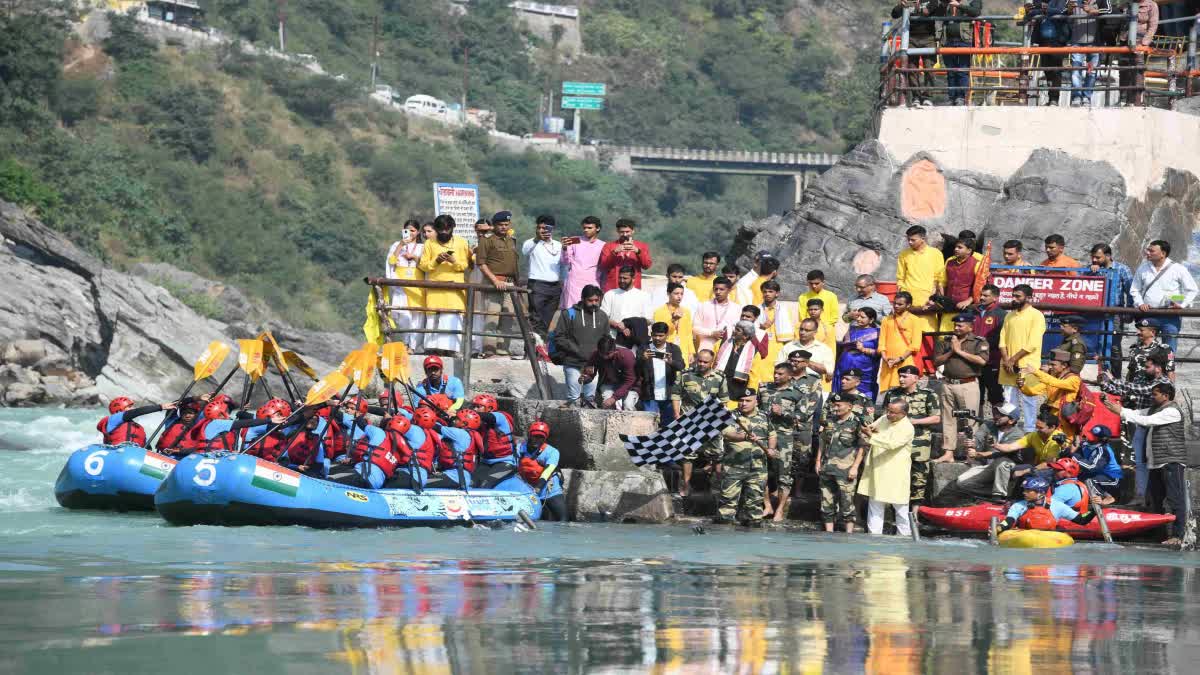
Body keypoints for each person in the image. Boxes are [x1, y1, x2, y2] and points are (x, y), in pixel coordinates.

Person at [1103, 382, 1190, 545]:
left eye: (1155, 394)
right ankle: (1159, 534)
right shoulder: (1153, 408)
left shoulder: (1172, 411)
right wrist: (1113, 407)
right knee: (1155, 500)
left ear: (1166, 396)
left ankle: (1178, 536)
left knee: (1175, 499)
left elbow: (1146, 421)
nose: (1152, 397)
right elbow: (1135, 413)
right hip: (1156, 463)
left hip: (1171, 461)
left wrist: (1121, 412)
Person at [1100, 351, 1173, 503]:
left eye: (1147, 366)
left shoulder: (1163, 382)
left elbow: (1140, 390)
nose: (1144, 369)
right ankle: (1140, 496)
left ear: (1158, 367)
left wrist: (1114, 379)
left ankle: (1155, 498)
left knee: (1152, 464)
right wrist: (1105, 384)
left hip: (1155, 427)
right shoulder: (1147, 379)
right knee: (1140, 463)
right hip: (1141, 424)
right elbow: (1128, 391)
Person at [758, 362, 817, 522]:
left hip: (784, 439)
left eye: (780, 374)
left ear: (790, 376)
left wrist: (784, 412)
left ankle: (779, 510)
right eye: (775, 373)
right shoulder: (764, 388)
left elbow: (803, 417)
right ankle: (767, 505)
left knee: (784, 476)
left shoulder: (797, 393)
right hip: (763, 437)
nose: (776, 376)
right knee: (759, 472)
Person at [671, 349, 729, 497]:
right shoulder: (685, 375)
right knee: (687, 455)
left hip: (711, 421)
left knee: (717, 455)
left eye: (705, 362)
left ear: (712, 362)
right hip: (690, 421)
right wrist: (677, 414)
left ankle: (717, 486)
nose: (702, 364)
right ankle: (686, 485)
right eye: (700, 361)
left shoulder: (720, 377)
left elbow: (724, 400)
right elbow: (676, 395)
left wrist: (720, 421)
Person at [715, 390, 775, 527]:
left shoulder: (764, 416)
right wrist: (745, 437)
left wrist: (771, 449)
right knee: (727, 503)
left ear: (756, 402)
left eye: (748, 400)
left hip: (758, 467)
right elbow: (728, 434)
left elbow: (772, 434)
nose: (743, 403)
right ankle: (723, 535)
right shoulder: (730, 416)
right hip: (734, 466)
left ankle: (752, 539)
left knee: (755, 504)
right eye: (741, 400)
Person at [933, 313, 989, 460]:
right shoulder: (946, 341)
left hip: (968, 384)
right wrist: (952, 351)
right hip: (948, 383)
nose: (956, 328)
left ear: (970, 327)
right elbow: (937, 361)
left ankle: (971, 452)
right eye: (955, 325)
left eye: (960, 325)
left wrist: (960, 352)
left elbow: (982, 361)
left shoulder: (978, 342)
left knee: (969, 419)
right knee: (948, 419)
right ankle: (948, 452)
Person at [882, 365, 941, 503]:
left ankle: (915, 515)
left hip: (919, 442)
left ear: (916, 378)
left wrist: (913, 421)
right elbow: (886, 416)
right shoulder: (892, 394)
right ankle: (896, 512)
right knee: (895, 476)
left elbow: (936, 418)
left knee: (918, 478)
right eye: (900, 376)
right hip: (896, 441)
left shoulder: (928, 394)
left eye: (905, 376)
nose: (901, 379)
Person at [858, 398, 915, 536]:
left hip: (896, 472)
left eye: (893, 413)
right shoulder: (885, 418)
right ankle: (874, 537)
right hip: (877, 468)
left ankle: (905, 538)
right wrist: (868, 428)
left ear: (903, 413)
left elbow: (891, 444)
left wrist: (871, 434)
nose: (889, 414)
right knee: (875, 505)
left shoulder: (907, 427)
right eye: (888, 411)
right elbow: (873, 428)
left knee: (900, 507)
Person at [418, 214, 471, 356]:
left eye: (447, 229)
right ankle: (432, 349)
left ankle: (452, 349)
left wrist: (454, 261)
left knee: (453, 317)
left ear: (452, 228)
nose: (444, 232)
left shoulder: (461, 242)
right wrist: (436, 261)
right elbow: (423, 266)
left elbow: (464, 266)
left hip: (455, 289)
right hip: (435, 287)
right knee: (433, 318)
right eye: (441, 229)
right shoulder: (429, 243)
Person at [1131, 239, 1197, 351]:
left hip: (1170, 315)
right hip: (1148, 313)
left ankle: (1168, 368)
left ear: (1163, 253)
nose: (1148, 253)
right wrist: (1140, 303)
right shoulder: (1143, 268)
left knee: (1169, 348)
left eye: (1151, 251)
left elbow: (1192, 290)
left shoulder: (1178, 269)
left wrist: (1182, 305)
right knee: (1145, 348)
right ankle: (1145, 368)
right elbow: (1134, 289)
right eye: (1148, 250)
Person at [474, 210, 523, 358]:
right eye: (500, 224)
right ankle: (489, 350)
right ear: (494, 225)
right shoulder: (486, 241)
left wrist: (516, 284)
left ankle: (503, 350)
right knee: (492, 318)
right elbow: (481, 264)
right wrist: (494, 280)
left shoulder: (510, 240)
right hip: (493, 284)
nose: (503, 227)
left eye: (506, 224)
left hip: (510, 284)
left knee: (508, 318)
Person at [954, 403, 1028, 500]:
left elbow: (1000, 453)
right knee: (962, 482)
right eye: (997, 413)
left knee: (1002, 462)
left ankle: (999, 496)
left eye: (1001, 415)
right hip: (990, 467)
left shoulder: (1018, 434)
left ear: (1012, 420)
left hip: (1008, 468)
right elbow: (978, 438)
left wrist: (978, 454)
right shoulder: (988, 425)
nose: (996, 416)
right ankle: (1002, 492)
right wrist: (972, 443)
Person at [551, 284, 608, 407]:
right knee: (574, 398)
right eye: (590, 300)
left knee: (590, 399)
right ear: (582, 298)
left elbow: (606, 340)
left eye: (596, 300)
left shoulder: (603, 316)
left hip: (593, 366)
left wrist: (600, 358)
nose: (593, 303)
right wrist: (577, 350)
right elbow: (559, 337)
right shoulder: (569, 314)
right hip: (572, 362)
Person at [999, 284, 1046, 432]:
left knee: (1028, 400)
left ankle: (1029, 432)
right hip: (1008, 365)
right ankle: (1009, 431)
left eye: (1018, 296)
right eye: (1013, 295)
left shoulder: (1036, 315)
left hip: (1028, 365)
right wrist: (1007, 359)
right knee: (1008, 399)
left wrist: (1013, 359)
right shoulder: (1009, 315)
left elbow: (1033, 343)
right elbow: (1002, 339)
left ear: (1028, 297)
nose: (1014, 299)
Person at [817, 392, 866, 533]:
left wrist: (855, 467)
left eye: (838, 405)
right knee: (826, 501)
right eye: (834, 405)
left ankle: (848, 533)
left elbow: (863, 445)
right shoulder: (830, 421)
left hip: (846, 468)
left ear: (849, 406)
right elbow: (822, 441)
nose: (835, 408)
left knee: (847, 502)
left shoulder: (857, 422)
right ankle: (829, 532)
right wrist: (818, 461)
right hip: (827, 467)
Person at [1018, 349, 1082, 440]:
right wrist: (1022, 386)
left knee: (1064, 444)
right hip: (1051, 418)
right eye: (1049, 364)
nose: (1050, 367)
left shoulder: (1074, 379)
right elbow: (1032, 392)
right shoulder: (1052, 378)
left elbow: (1056, 383)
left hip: (1064, 421)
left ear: (1064, 365)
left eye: (1053, 364)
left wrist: (1036, 372)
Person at [995, 475, 1095, 533]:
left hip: (1049, 539)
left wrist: (1094, 509)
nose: (1024, 493)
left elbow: (1082, 520)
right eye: (1024, 490)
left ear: (1041, 492)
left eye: (1028, 490)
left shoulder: (1057, 506)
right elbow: (1009, 521)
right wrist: (1000, 527)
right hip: (1025, 536)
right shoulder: (1019, 506)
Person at [891, 0, 945, 106]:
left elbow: (939, 13)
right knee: (912, 68)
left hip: (928, 38)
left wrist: (929, 8)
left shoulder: (932, 1)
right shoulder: (908, 1)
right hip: (911, 38)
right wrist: (901, 5)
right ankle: (916, 96)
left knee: (929, 67)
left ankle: (927, 97)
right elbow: (894, 14)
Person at [385, 219, 426, 353]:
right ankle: (404, 342)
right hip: (400, 283)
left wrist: (413, 257)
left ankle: (412, 346)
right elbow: (391, 261)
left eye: (413, 230)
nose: (410, 233)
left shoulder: (422, 247)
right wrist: (400, 245)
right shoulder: (397, 244)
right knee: (402, 314)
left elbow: (425, 265)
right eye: (407, 230)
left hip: (416, 282)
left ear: (418, 232)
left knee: (416, 316)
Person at [638, 322, 687, 429]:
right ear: (651, 334)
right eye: (655, 335)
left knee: (669, 427)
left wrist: (671, 362)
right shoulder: (644, 348)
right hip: (649, 394)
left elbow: (681, 366)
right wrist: (642, 359)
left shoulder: (674, 349)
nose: (657, 338)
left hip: (669, 395)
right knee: (648, 425)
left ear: (667, 335)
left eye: (661, 335)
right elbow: (635, 369)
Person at [522, 214, 564, 338]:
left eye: (545, 228)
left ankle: (543, 347)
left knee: (548, 319)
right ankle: (532, 350)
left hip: (555, 286)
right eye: (539, 228)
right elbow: (525, 251)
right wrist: (536, 238)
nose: (542, 230)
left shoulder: (558, 245)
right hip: (537, 285)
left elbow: (564, 266)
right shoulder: (532, 243)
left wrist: (563, 282)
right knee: (535, 317)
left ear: (552, 229)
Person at [517, 421, 567, 521]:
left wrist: (538, 488)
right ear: (529, 435)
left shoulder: (552, 452)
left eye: (541, 437)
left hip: (549, 490)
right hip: (528, 490)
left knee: (563, 520)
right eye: (535, 436)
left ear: (545, 438)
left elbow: (548, 471)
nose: (537, 439)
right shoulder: (519, 448)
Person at [470, 394, 520, 488]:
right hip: (486, 462)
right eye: (474, 407)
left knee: (485, 485)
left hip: (505, 462)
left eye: (478, 406)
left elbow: (489, 417)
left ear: (490, 408)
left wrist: (465, 414)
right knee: (471, 483)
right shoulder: (479, 423)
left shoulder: (500, 417)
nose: (475, 410)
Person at [424, 409, 483, 489]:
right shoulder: (467, 435)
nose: (454, 421)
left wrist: (421, 419)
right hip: (459, 476)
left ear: (464, 423)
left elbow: (435, 427)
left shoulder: (459, 433)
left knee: (420, 481)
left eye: (457, 419)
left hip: (455, 476)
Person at [877, 291, 923, 391]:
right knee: (887, 392)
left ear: (908, 305)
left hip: (905, 360)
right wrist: (885, 358)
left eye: (900, 304)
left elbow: (915, 344)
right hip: (888, 362)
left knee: (903, 388)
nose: (896, 306)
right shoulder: (886, 320)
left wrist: (900, 359)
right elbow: (882, 342)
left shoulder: (914, 320)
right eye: (894, 303)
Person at [992, 410, 1069, 469]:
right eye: (1036, 426)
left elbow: (1049, 464)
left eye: (1040, 428)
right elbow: (1010, 447)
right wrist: (995, 445)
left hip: (1052, 470)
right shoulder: (1034, 435)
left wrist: (1028, 471)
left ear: (1052, 427)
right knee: (1010, 468)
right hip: (1037, 467)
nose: (1037, 429)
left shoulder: (1058, 439)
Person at [1116, 0, 1159, 106]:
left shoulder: (1151, 5)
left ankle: (1136, 100)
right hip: (1125, 38)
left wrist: (1145, 42)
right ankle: (1123, 98)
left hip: (1140, 38)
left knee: (1138, 69)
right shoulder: (1127, 3)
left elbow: (1153, 25)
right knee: (1123, 68)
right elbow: (1120, 19)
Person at [715, 319, 769, 401]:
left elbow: (753, 377)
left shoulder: (754, 353)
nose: (734, 331)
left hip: (737, 391)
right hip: (717, 385)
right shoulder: (721, 344)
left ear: (745, 336)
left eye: (738, 330)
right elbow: (711, 362)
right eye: (735, 328)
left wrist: (750, 394)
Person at [834, 307, 881, 400]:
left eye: (862, 317)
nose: (858, 319)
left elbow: (880, 352)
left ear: (871, 320)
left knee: (863, 395)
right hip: (845, 364)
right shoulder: (851, 329)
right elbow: (842, 343)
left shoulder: (878, 333)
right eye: (858, 316)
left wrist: (863, 349)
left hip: (866, 369)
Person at [1068, 424, 1122, 505]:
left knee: (1089, 480)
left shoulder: (1103, 450)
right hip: (1098, 474)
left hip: (1112, 478)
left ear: (1101, 439)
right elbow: (1076, 453)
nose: (1088, 437)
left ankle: (1107, 497)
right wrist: (1067, 447)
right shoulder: (1087, 444)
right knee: (1075, 478)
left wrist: (1073, 455)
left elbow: (1091, 467)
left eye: (1093, 436)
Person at [581, 335, 639, 410]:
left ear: (615, 350)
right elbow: (589, 374)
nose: (605, 356)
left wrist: (614, 398)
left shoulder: (627, 356)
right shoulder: (595, 355)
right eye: (602, 353)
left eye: (608, 354)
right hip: (608, 383)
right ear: (598, 350)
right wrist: (585, 378)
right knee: (606, 404)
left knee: (628, 405)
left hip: (630, 385)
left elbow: (630, 380)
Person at [600, 265, 653, 346]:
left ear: (633, 279)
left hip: (635, 339)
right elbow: (602, 317)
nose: (621, 280)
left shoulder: (644, 296)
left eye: (625, 278)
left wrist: (631, 326)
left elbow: (649, 320)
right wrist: (617, 325)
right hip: (613, 338)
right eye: (620, 277)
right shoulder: (610, 294)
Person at [560, 216, 605, 309]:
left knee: (591, 310)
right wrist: (564, 248)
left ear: (598, 228)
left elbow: (605, 265)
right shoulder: (574, 240)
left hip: (593, 282)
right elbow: (565, 261)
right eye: (584, 228)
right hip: (574, 282)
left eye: (589, 228)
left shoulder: (603, 245)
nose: (586, 230)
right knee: (571, 310)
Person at [943, 0, 982, 106]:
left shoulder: (971, 2)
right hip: (948, 41)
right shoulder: (946, 3)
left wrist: (959, 5)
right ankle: (952, 97)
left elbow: (976, 12)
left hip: (964, 41)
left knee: (962, 70)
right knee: (950, 71)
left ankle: (961, 97)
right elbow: (937, 10)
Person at [974, 284, 1008, 407]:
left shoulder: (1001, 314)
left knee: (995, 396)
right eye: (981, 295)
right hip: (974, 361)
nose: (982, 298)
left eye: (985, 295)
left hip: (992, 361)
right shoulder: (974, 311)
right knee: (976, 397)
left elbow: (1001, 337)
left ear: (995, 298)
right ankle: (977, 424)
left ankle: (999, 424)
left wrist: (983, 344)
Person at [781, 318, 835, 392]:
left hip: (813, 387)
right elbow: (778, 367)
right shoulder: (788, 347)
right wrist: (791, 363)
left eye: (807, 330)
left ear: (815, 332)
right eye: (801, 329)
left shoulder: (824, 349)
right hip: (790, 386)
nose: (802, 332)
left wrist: (807, 362)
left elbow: (829, 371)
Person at [97, 396, 176, 447]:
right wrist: (161, 407)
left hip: (133, 456)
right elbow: (137, 412)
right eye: (129, 407)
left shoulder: (138, 427)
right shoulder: (113, 419)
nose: (132, 408)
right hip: (117, 452)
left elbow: (147, 448)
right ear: (119, 409)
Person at [598, 218, 652, 291]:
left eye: (627, 231)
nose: (625, 234)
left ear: (633, 231)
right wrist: (614, 252)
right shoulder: (609, 246)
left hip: (634, 287)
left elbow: (647, 265)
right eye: (622, 232)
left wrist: (638, 252)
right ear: (617, 231)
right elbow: (603, 266)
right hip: (613, 287)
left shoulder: (641, 246)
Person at [1068, 1, 1105, 106]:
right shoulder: (1073, 2)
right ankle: (1076, 97)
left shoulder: (1099, 2)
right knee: (1076, 70)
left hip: (1094, 43)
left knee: (1091, 72)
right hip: (1077, 42)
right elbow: (1065, 15)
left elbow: (1109, 11)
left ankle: (1086, 97)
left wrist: (1093, 10)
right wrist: (1069, 10)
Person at [941, 237, 982, 331]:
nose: (956, 249)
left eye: (960, 247)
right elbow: (943, 283)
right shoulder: (949, 262)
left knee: (962, 335)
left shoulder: (976, 264)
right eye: (956, 247)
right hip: (948, 308)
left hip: (966, 308)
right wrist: (942, 299)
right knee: (944, 337)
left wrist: (968, 301)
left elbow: (980, 287)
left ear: (969, 250)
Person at [693, 276, 741, 354]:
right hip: (706, 347)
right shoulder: (704, 306)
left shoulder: (736, 308)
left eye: (721, 289)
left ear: (729, 290)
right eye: (716, 289)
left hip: (727, 348)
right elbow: (695, 328)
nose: (718, 292)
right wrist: (712, 333)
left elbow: (738, 329)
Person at [652, 282, 696, 365]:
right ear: (668, 293)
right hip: (666, 348)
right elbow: (660, 332)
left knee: (681, 374)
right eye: (676, 293)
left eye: (681, 294)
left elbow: (688, 334)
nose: (679, 296)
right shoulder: (659, 312)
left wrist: (691, 352)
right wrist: (672, 320)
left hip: (683, 349)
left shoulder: (686, 312)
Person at [1126, 318, 1175, 383]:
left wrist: (1170, 391)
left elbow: (1170, 373)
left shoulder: (1164, 350)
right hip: (1134, 389)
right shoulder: (1135, 348)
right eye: (1138, 330)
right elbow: (1130, 372)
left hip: (1153, 390)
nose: (1137, 332)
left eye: (1141, 330)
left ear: (1152, 332)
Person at [1087, 243, 1133, 308]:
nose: (1094, 260)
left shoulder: (1122, 269)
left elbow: (1131, 292)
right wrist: (1091, 272)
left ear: (1108, 256)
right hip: (1093, 311)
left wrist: (1129, 312)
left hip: (1115, 312)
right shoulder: (1088, 269)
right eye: (1092, 257)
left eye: (1098, 257)